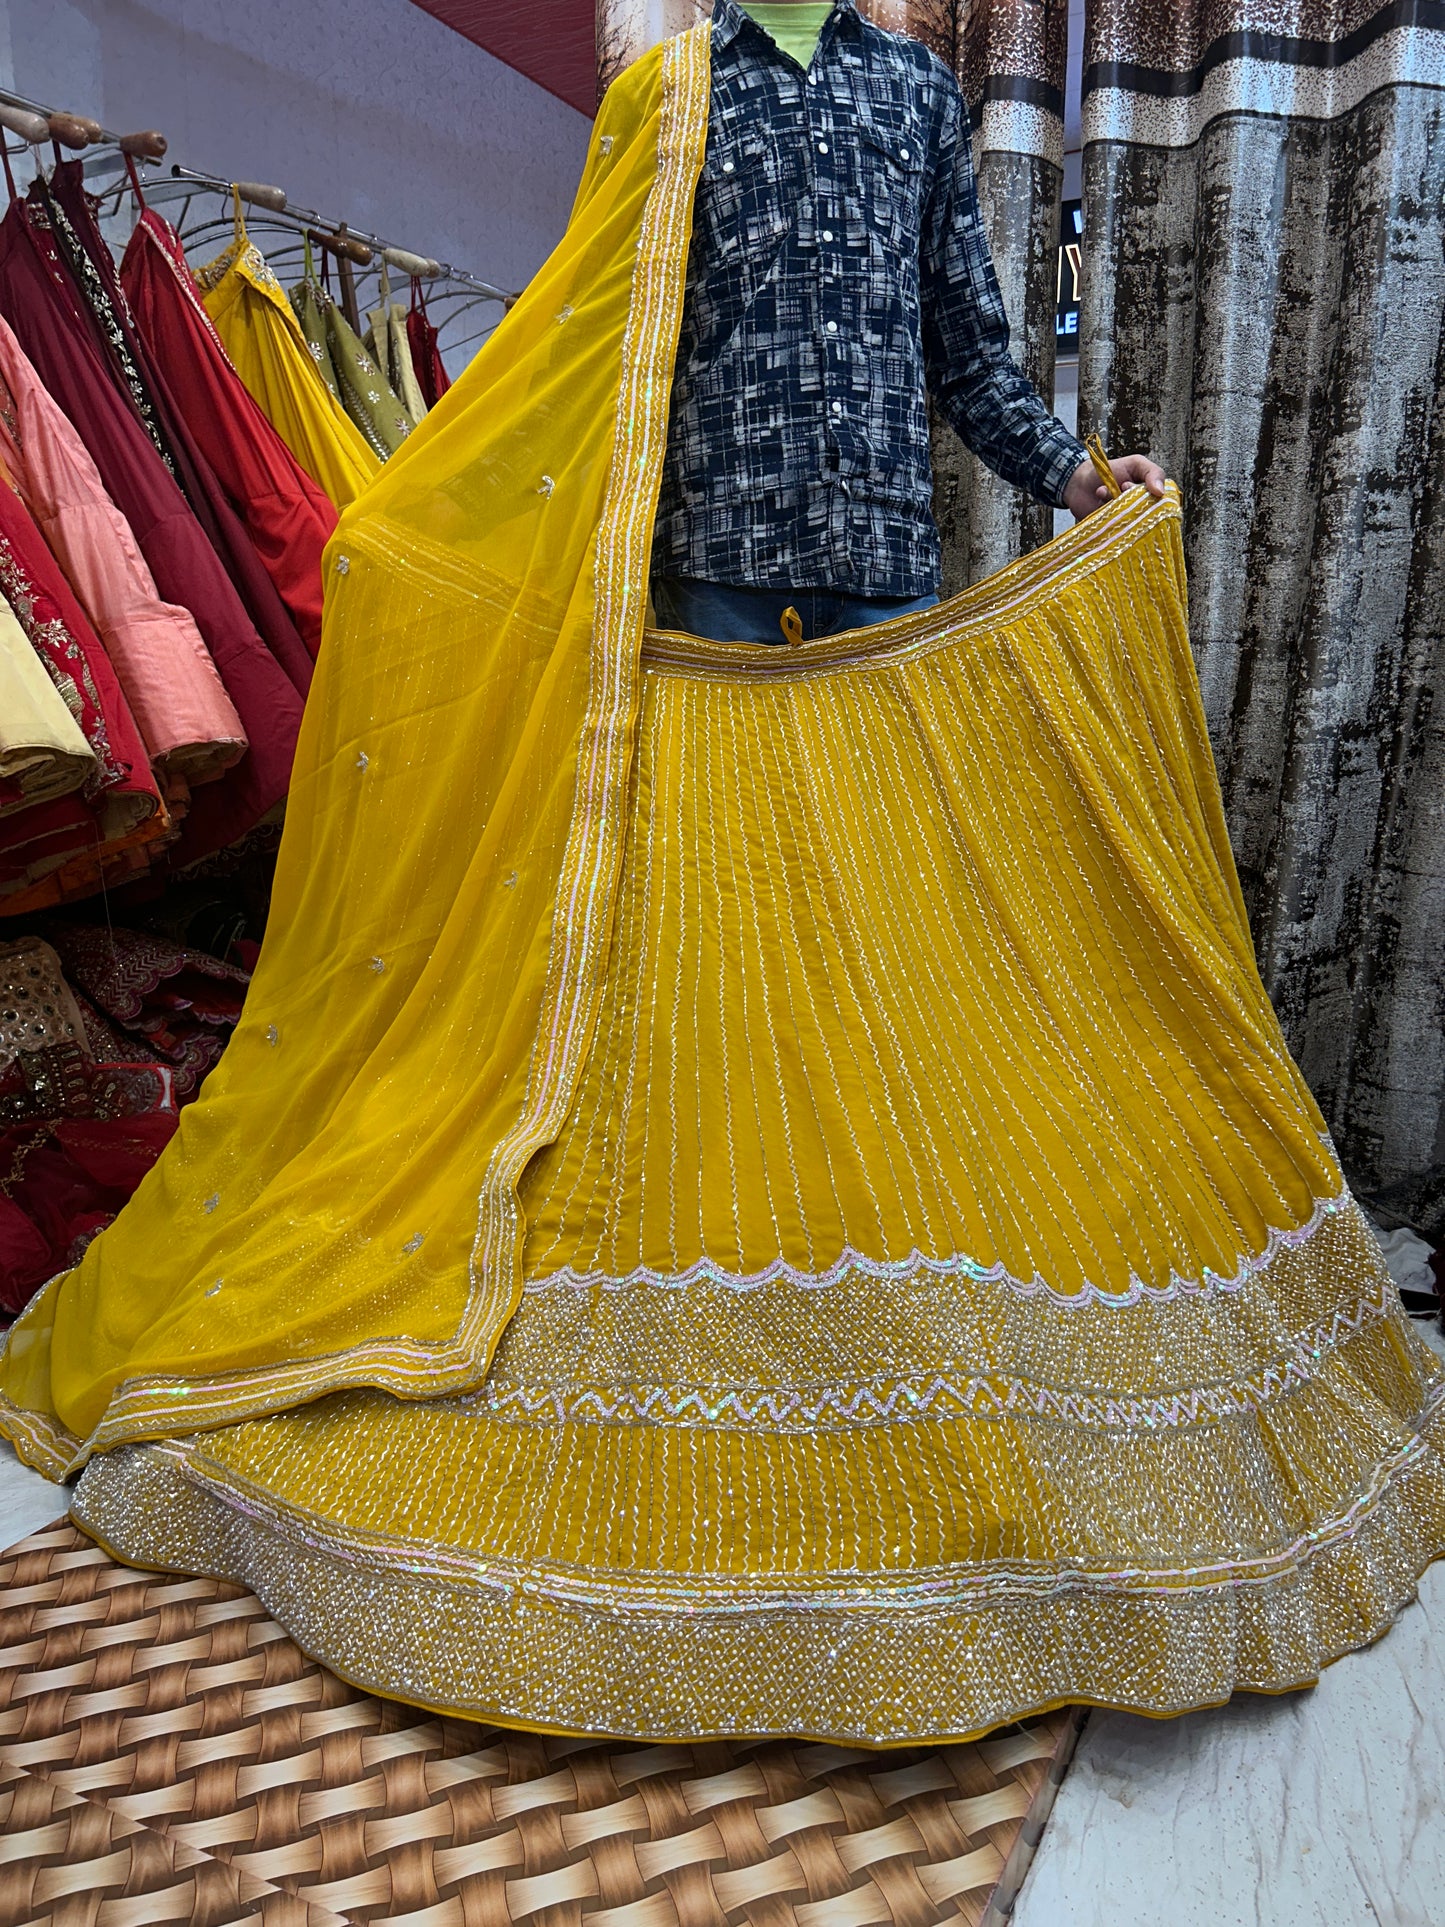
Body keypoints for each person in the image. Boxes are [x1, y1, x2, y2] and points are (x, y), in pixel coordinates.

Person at [1, 19, 1439, 1746]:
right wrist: (452, 541)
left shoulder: (914, 97)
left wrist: (1074, 480)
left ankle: (880, 1283)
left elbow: (964, 345)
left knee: (872, 954)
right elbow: (600, 341)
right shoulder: (664, 93)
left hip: (881, 592)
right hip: (704, 593)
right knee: (701, 956)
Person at [650, 0, 1164, 644]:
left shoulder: (921, 86)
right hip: (717, 571)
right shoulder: (666, 91)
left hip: (887, 570)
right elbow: (619, 354)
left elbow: (969, 359)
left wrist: (1073, 471)